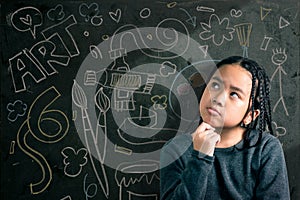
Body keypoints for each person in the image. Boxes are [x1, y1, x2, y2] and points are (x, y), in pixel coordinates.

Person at [160, 56, 290, 199]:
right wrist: (200, 157)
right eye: (215, 85)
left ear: (250, 116)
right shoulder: (176, 149)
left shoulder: (264, 148)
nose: (218, 98)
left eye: (234, 94)